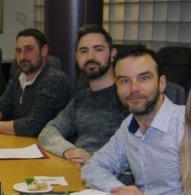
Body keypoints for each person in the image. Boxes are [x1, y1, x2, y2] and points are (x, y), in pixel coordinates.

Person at [80, 45, 191, 195]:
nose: (134, 89)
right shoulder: (128, 127)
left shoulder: (189, 127)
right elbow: (92, 167)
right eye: (124, 81)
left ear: (162, 83)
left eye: (144, 78)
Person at [37, 25, 126, 164]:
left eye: (98, 49)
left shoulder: (127, 97)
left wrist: (93, 160)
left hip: (108, 178)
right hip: (76, 171)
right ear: (76, 57)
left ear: (113, 53)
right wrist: (69, 150)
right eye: (84, 51)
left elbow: (135, 156)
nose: (90, 57)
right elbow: (48, 131)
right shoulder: (81, 98)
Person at [0, 29, 72, 137]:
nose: (22, 57)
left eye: (28, 50)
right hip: (22, 141)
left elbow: (32, 126)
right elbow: (2, 106)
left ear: (44, 51)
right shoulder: (18, 76)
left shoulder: (55, 80)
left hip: (48, 147)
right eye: (18, 51)